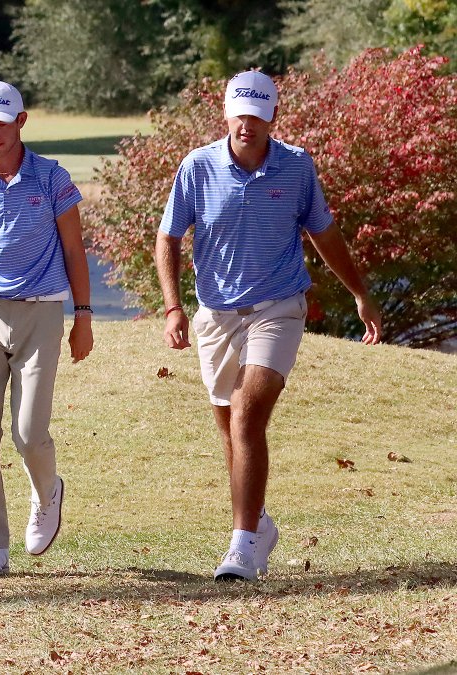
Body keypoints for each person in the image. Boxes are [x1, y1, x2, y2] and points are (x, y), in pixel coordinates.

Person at [156, 70, 382, 581]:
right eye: (240, 114)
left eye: (257, 116)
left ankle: (240, 546)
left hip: (278, 308)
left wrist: (360, 292)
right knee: (229, 428)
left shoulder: (296, 166)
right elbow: (168, 238)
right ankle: (258, 523)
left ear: (273, 117)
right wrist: (173, 307)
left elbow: (323, 231)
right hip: (217, 315)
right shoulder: (197, 167)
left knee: (246, 415)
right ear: (226, 114)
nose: (247, 125)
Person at [0, 80, 94, 577]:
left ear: (21, 121)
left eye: (0, 125)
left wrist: (84, 316)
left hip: (40, 313)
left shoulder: (51, 178)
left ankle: (47, 493)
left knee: (29, 434)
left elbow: (74, 250)